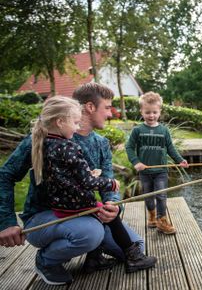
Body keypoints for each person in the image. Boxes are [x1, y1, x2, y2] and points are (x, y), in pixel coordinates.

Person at [0, 83, 145, 286]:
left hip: (84, 213)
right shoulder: (42, 138)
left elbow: (108, 182)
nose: (111, 114)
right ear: (90, 107)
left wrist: (113, 205)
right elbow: (5, 175)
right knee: (91, 233)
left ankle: (94, 251)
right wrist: (6, 222)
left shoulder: (101, 143)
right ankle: (46, 260)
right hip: (44, 218)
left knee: (137, 246)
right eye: (107, 107)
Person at [30, 95, 156, 281]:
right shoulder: (68, 146)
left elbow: (64, 174)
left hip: (63, 202)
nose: (77, 126)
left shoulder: (46, 143)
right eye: (107, 107)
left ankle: (94, 258)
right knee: (104, 221)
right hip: (66, 206)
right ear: (60, 122)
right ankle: (133, 258)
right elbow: (87, 182)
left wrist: (113, 201)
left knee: (125, 231)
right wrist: (110, 183)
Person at [126, 92, 188, 234]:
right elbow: (129, 147)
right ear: (141, 111)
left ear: (159, 111)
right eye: (147, 112)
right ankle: (152, 216)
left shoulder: (164, 130)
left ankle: (161, 220)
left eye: (154, 112)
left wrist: (180, 160)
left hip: (161, 171)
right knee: (148, 197)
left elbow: (171, 148)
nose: (151, 115)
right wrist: (136, 162)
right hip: (145, 172)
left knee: (161, 195)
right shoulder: (138, 130)